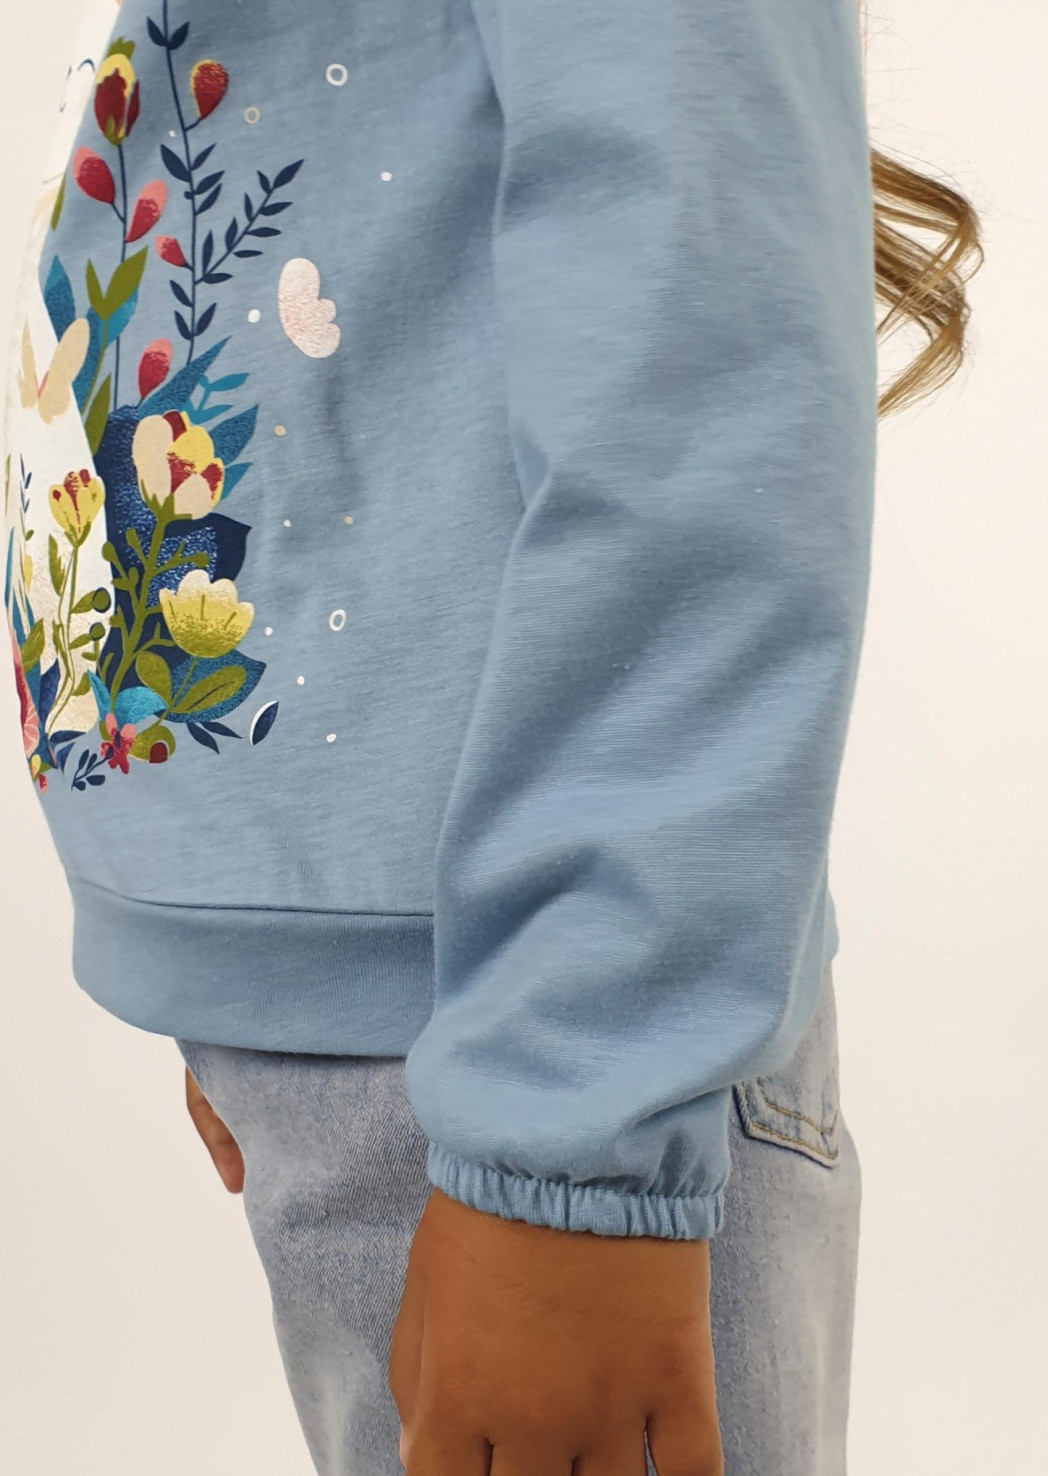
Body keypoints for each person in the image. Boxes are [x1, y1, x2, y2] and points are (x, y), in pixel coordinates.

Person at [2, 0, 981, 1471]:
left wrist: (577, 1120)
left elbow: (696, 372)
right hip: (403, 1021)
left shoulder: (560, 1088)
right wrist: (249, 941)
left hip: (531, 1036)